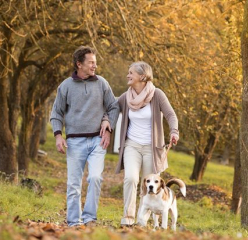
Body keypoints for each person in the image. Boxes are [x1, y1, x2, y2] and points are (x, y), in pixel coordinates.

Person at [101, 61, 179, 226]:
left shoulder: (157, 95)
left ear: (142, 76)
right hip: (132, 145)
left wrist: (174, 131)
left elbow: (171, 115)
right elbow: (113, 109)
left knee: (149, 184)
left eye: (131, 73)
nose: (128, 75)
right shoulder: (127, 96)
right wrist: (107, 122)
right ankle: (128, 219)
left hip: (152, 148)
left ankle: (142, 219)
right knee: (130, 178)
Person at [50, 46, 119, 227]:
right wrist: (58, 136)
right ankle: (73, 223)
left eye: (95, 62)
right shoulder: (65, 86)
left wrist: (108, 124)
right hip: (74, 142)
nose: (95, 66)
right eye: (91, 62)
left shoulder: (102, 83)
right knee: (74, 184)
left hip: (98, 139)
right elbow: (56, 113)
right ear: (79, 64)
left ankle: (89, 219)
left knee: (95, 178)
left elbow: (113, 106)